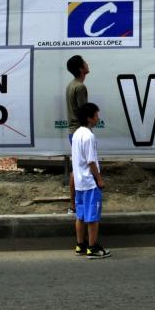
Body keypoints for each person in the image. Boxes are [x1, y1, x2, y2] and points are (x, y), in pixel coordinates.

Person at [71, 102, 110, 259]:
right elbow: (91, 161)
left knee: (80, 216)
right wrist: (99, 180)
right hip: (89, 182)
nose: (98, 118)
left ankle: (81, 245)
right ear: (89, 118)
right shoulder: (89, 136)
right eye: (96, 115)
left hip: (80, 184)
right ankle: (92, 248)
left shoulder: (76, 134)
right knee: (92, 217)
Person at [66, 55, 89, 214]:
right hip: (79, 132)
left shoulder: (71, 85)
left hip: (74, 132)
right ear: (81, 68)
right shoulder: (80, 87)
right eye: (85, 62)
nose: (88, 64)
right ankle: (74, 205)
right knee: (78, 169)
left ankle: (75, 204)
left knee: (77, 168)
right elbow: (84, 113)